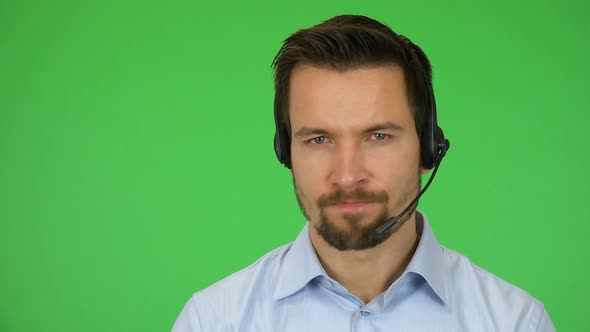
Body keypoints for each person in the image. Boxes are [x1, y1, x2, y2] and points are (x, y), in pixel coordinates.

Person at [171, 15, 556, 331]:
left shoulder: (516, 322)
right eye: (319, 139)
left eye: (378, 135)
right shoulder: (214, 321)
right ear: (285, 153)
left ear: (428, 148)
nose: (347, 175)